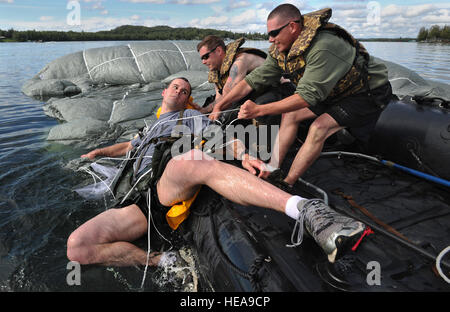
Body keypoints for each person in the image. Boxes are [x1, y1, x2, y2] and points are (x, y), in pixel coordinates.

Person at [67, 78, 366, 269]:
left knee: (193, 158)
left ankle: (305, 209)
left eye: (185, 90)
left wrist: (246, 155)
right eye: (176, 87)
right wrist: (99, 153)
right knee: (77, 248)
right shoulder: (152, 126)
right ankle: (160, 261)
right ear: (164, 92)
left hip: (165, 185)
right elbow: (129, 147)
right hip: (136, 200)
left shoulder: (191, 118)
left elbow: (221, 137)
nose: (181, 91)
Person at [211, 4, 393, 187]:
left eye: (274, 33)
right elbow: (251, 81)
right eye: (269, 34)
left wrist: (259, 109)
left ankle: (286, 183)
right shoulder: (281, 51)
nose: (270, 40)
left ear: (292, 27)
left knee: (318, 127)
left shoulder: (324, 47)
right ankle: (272, 169)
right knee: (290, 114)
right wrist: (219, 105)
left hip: (366, 92)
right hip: (331, 91)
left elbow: (306, 98)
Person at [196, 35, 267, 114]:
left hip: (274, 90)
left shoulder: (240, 61)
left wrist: (204, 111)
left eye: (206, 57)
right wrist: (203, 110)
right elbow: (219, 98)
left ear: (218, 51)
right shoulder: (216, 70)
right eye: (202, 58)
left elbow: (227, 98)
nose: (203, 62)